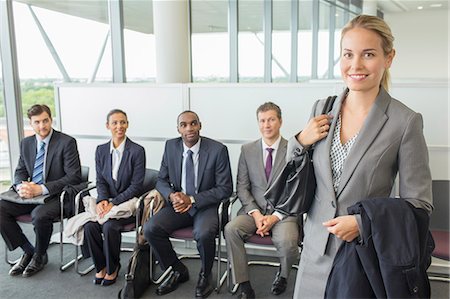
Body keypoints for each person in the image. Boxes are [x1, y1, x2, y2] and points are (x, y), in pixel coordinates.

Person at [289, 15, 433, 298]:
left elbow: (420, 203)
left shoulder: (405, 122)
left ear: (388, 58)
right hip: (314, 252)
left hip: (361, 258)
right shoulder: (323, 109)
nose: (355, 65)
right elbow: (296, 177)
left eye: (368, 54)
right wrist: (300, 141)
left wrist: (363, 222)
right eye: (348, 54)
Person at [144, 110, 233, 298]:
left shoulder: (218, 150)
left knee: (203, 232)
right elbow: (161, 180)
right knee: (151, 228)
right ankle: (177, 269)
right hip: (178, 205)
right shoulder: (170, 147)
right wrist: (172, 196)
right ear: (178, 129)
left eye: (193, 123)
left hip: (206, 205)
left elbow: (225, 188)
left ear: (200, 125)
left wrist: (191, 200)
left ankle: (205, 275)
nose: (189, 128)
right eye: (183, 125)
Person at [224, 102, 299, 298]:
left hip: (284, 213)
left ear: (280, 121)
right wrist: (257, 215)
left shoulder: (293, 149)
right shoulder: (247, 150)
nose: (267, 125)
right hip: (253, 211)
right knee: (231, 229)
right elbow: (242, 186)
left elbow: (295, 190)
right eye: (262, 120)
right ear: (258, 123)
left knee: (289, 240)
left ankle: (283, 275)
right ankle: (243, 283)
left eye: (271, 119)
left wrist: (274, 217)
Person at [0, 104, 82, 277]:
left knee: (39, 215)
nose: (42, 126)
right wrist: (22, 186)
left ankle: (40, 255)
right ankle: (28, 250)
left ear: (51, 120)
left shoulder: (66, 142)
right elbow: (20, 171)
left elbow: (73, 177)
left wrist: (42, 189)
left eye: (45, 121)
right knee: (1, 208)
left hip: (58, 196)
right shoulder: (26, 143)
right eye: (37, 122)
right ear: (31, 123)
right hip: (32, 196)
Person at [83, 109, 145, 286]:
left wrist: (113, 202)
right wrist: (103, 200)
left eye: (123, 122)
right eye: (115, 123)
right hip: (107, 205)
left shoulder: (137, 151)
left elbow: (136, 186)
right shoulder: (101, 150)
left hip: (127, 207)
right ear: (108, 126)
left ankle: (113, 268)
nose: (119, 126)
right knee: (89, 227)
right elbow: (100, 180)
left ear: (127, 124)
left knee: (110, 227)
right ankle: (100, 267)